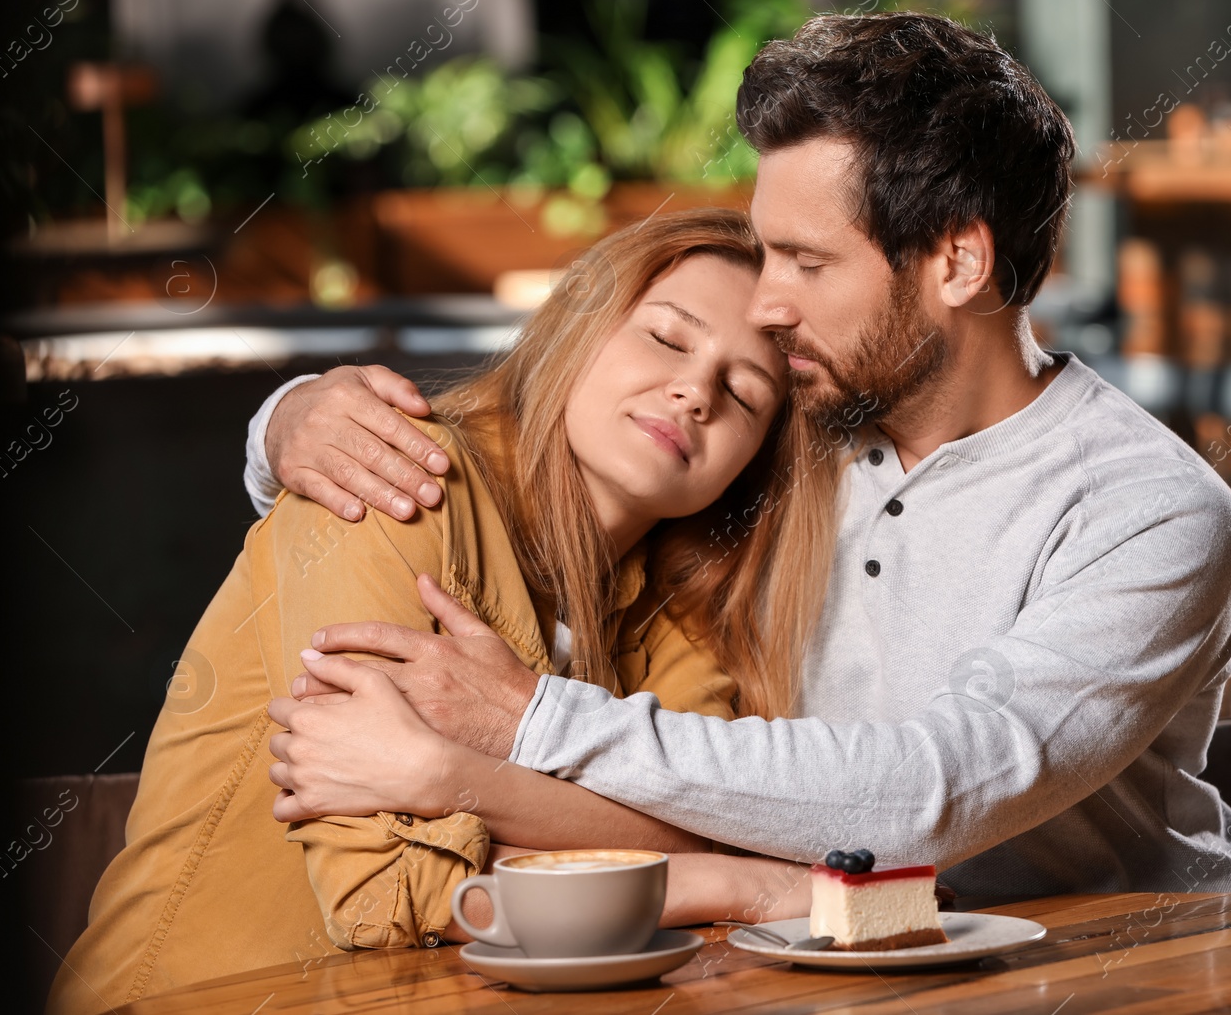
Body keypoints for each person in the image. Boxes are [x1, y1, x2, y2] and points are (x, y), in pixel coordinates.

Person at [257, 12, 1231, 912]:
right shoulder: (788, 421)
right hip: (816, 952)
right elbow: (542, 462)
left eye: (809, 262)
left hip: (1117, 966)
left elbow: (927, 795)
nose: (768, 303)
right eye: (767, 249)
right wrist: (289, 423)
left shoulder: (1151, 510)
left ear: (957, 261)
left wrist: (532, 720)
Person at [47, 209, 845, 1015]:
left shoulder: (680, 616)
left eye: (745, 394)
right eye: (668, 339)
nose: (695, 391)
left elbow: (716, 818)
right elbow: (388, 893)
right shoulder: (389, 476)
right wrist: (734, 883)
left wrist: (461, 784)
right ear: (580, 325)